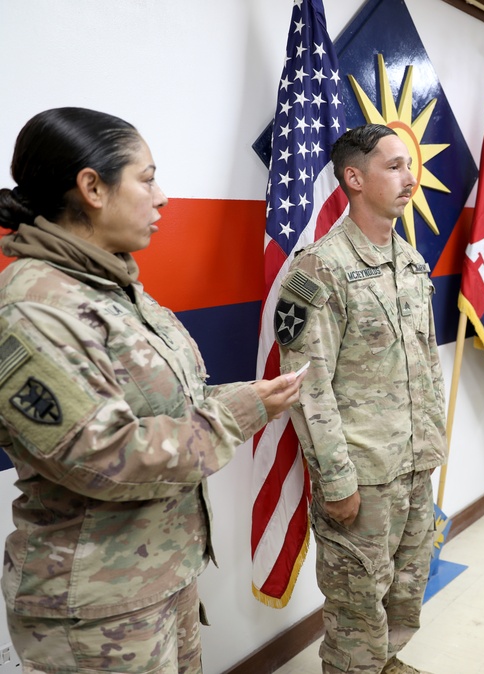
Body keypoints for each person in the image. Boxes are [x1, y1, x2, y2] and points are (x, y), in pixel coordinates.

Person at [0, 107, 301, 672]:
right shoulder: (36, 305)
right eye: (147, 177)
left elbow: (166, 402)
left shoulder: (112, 286)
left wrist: (242, 400)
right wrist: (235, 415)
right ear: (91, 186)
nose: (161, 197)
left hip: (157, 577)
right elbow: (99, 458)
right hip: (97, 608)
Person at [275, 124, 444, 674]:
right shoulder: (317, 270)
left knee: (405, 587)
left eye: (410, 165)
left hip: (414, 463)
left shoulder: (411, 262)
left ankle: (386, 662)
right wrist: (338, 479)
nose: (409, 178)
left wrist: (432, 447)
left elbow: (426, 362)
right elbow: (307, 385)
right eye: (394, 166)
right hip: (362, 473)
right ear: (354, 177)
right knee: (355, 605)